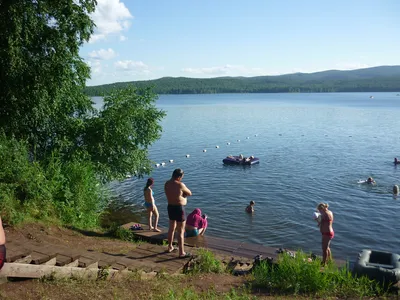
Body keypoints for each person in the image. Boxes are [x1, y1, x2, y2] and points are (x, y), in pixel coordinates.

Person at [164, 168, 192, 258]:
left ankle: (170, 247)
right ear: (179, 177)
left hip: (170, 207)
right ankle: (181, 252)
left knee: (171, 228)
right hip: (179, 209)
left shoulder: (166, 183)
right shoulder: (180, 184)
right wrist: (184, 196)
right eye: (182, 177)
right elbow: (190, 193)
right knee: (180, 231)